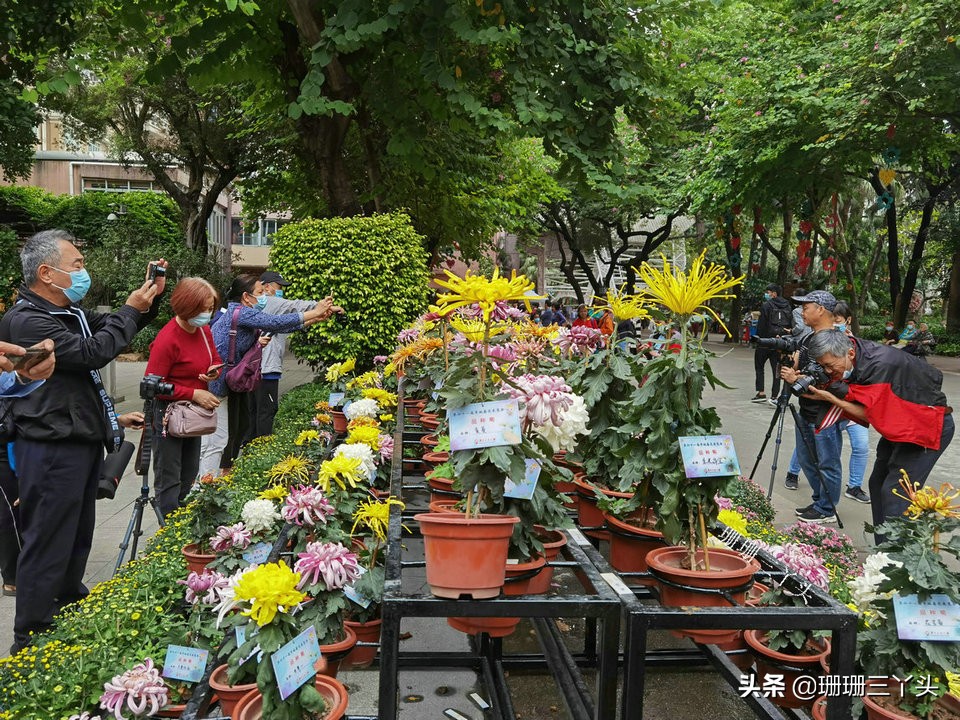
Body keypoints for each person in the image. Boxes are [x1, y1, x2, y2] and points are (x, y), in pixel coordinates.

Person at [0, 229, 163, 653]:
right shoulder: (27, 319)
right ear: (45, 273)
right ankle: (31, 639)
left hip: (77, 442)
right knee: (48, 540)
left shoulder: (67, 313)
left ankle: (67, 609)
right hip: (51, 446)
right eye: (76, 265)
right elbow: (92, 353)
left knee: (75, 537)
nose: (83, 271)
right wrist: (130, 310)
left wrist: (145, 302)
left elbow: (108, 330)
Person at [803, 329, 954, 542]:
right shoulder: (854, 352)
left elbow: (869, 413)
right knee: (877, 483)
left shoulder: (879, 365)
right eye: (823, 366)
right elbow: (852, 392)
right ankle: (883, 551)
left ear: (850, 353)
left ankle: (896, 562)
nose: (828, 371)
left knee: (896, 492)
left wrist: (829, 397)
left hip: (926, 426)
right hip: (900, 423)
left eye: (829, 365)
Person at [198, 274, 339, 476]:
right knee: (217, 440)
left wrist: (315, 318)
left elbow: (277, 326)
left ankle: (221, 476)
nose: (264, 296)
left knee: (235, 431)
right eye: (260, 292)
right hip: (219, 384)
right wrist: (314, 311)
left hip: (232, 382)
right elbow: (275, 322)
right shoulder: (241, 312)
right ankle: (205, 485)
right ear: (246, 297)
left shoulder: (244, 313)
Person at [144, 278, 223, 517]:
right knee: (170, 478)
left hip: (192, 414)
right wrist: (193, 392)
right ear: (187, 307)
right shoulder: (168, 339)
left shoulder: (203, 330)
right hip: (168, 415)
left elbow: (214, 359)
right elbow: (152, 385)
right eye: (203, 309)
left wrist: (213, 371)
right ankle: (168, 529)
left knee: (189, 474)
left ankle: (184, 524)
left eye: (210, 308)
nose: (207, 314)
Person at [779, 290, 845, 523]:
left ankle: (827, 508)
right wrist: (793, 372)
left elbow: (836, 380)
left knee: (827, 461)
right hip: (805, 406)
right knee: (807, 459)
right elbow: (805, 370)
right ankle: (820, 500)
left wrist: (797, 380)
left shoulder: (836, 340)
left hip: (825, 412)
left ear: (821, 309)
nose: (802, 311)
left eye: (806, 307)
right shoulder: (807, 338)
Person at [0, 341, 58, 598]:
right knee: (9, 513)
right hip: (4, 445)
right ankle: (12, 576)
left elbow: (13, 386)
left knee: (21, 507)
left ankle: (28, 568)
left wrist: (26, 370)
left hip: (15, 439)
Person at [253, 270, 324, 438]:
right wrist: (323, 307)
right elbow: (295, 306)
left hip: (259, 367)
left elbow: (282, 326)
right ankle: (262, 445)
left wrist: (312, 320)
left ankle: (251, 444)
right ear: (267, 287)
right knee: (267, 410)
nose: (281, 291)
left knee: (255, 411)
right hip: (266, 368)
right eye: (279, 286)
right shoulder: (270, 301)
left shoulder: (262, 305)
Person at [831, 301, 871, 504]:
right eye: (832, 319)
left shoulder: (857, 344)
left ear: (848, 320)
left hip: (852, 402)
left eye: (837, 320)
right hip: (829, 403)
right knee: (819, 445)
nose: (834, 323)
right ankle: (793, 472)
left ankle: (854, 486)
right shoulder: (823, 342)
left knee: (862, 446)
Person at [752, 283, 793, 404]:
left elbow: (762, 325)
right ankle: (774, 396)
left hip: (765, 341)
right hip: (779, 342)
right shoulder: (787, 306)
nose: (767, 294)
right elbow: (790, 323)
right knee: (777, 369)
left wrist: (759, 339)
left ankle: (761, 392)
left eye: (768, 292)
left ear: (774, 293)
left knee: (759, 367)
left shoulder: (766, 305)